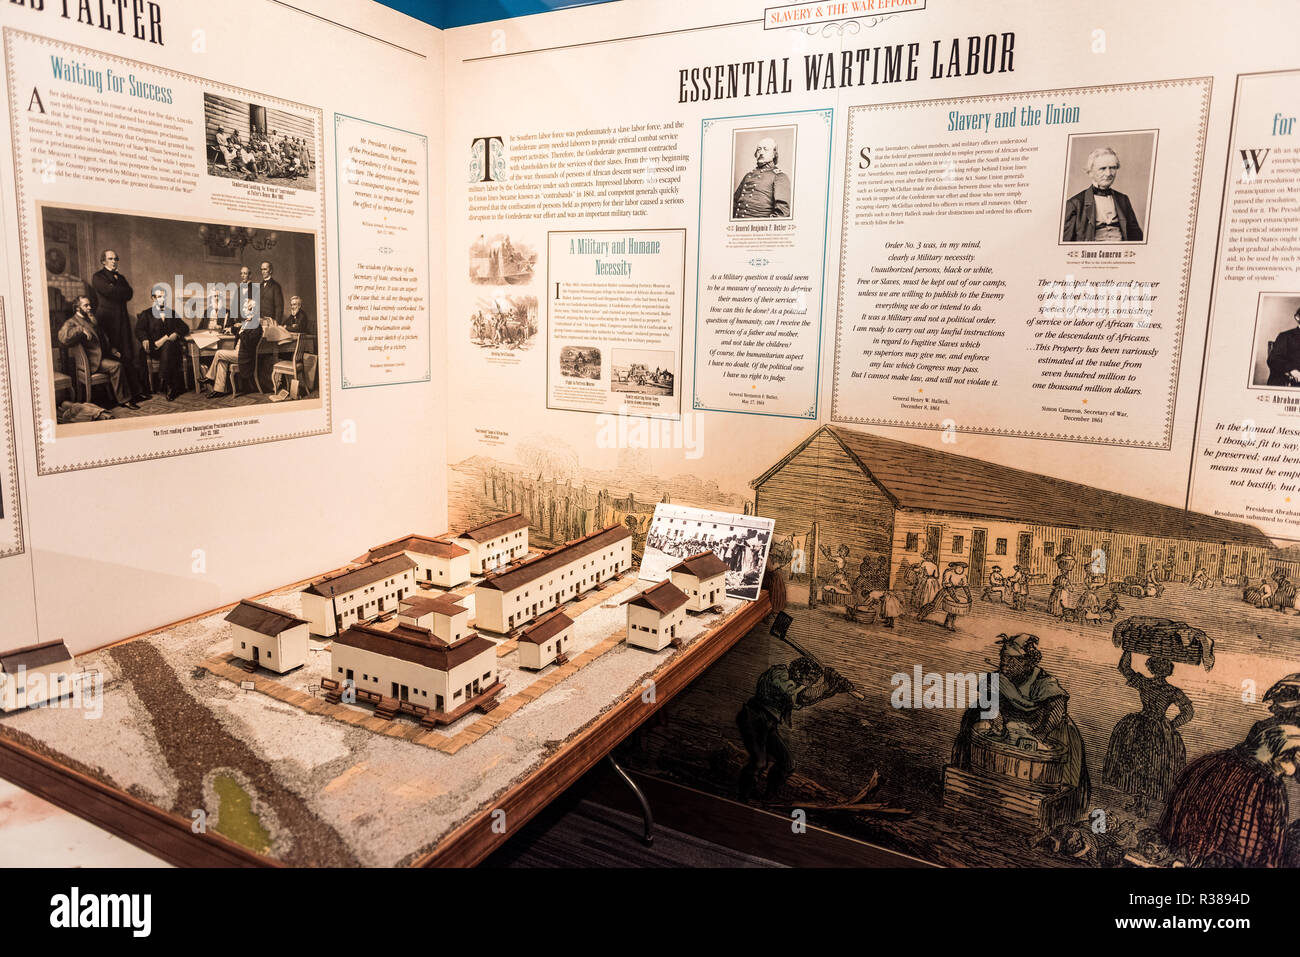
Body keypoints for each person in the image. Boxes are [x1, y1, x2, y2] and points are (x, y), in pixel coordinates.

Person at [952, 633, 1091, 820]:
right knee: (974, 716)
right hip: (1007, 723)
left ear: (1027, 663)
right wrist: (997, 721)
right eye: (1003, 658)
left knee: (1063, 736)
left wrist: (1036, 735)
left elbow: (1057, 710)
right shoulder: (998, 678)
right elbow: (989, 700)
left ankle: (1059, 803)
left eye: (1011, 660)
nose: (1004, 663)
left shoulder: (1043, 682)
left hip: (1040, 725)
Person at [1159, 721, 1300, 867]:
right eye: (1291, 760)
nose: (1291, 770)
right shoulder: (1267, 786)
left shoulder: (1218, 762)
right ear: (1279, 754)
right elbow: (1268, 842)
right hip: (1218, 855)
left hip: (1201, 852)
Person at [736, 656, 855, 801]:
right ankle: (742, 796)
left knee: (787, 762)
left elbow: (806, 700)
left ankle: (769, 796)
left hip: (768, 724)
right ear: (800, 673)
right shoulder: (779, 673)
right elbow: (801, 696)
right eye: (810, 680)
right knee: (759, 762)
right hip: (753, 718)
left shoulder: (794, 686)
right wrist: (826, 685)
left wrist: (833, 688)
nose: (810, 684)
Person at [1102, 651, 1194, 815]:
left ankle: (1142, 804)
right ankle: (1140, 803)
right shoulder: (1172, 690)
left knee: (1142, 764)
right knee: (1148, 765)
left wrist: (1128, 649)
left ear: (1151, 667)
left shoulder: (1145, 683)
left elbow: (1123, 667)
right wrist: (1171, 725)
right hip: (1156, 728)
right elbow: (1188, 711)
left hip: (1142, 726)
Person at [57, 296, 137, 409]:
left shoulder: (90, 319)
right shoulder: (71, 322)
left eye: (89, 305)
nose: (89, 307)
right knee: (116, 366)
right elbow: (62, 337)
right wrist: (80, 329)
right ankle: (124, 400)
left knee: (125, 359)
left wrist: (113, 350)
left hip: (101, 356)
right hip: (92, 361)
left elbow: (103, 338)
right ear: (77, 308)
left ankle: (136, 393)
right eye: (86, 305)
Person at [88, 249, 146, 402]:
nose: (114, 261)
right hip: (107, 321)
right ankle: (119, 397)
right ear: (103, 261)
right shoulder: (98, 277)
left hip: (122, 320)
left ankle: (136, 392)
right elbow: (109, 291)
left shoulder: (120, 277)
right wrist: (116, 289)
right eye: (110, 258)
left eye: (116, 259)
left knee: (127, 354)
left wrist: (115, 288)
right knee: (113, 355)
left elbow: (129, 293)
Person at [1062, 147, 1144, 242]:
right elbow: (1066, 244)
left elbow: (1136, 237)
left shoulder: (1123, 199)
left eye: (1113, 168)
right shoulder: (1075, 204)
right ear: (1090, 172)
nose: (1108, 173)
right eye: (1102, 168)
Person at [135, 285, 190, 401]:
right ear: (153, 298)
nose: (163, 299)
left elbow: (185, 327)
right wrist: (144, 338)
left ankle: (165, 382)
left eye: (164, 297)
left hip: (170, 350)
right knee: (166, 347)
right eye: (160, 297)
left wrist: (177, 333)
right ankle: (166, 382)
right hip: (154, 349)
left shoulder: (171, 313)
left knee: (169, 345)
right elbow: (139, 330)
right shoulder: (146, 314)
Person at [205, 298, 262, 397]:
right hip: (239, 353)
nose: (243, 310)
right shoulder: (247, 323)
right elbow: (238, 330)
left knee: (219, 353)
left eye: (245, 308)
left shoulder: (256, 326)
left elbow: (249, 343)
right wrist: (231, 329)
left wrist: (241, 333)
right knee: (222, 361)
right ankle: (219, 390)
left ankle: (210, 377)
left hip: (244, 357)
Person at [733, 136, 791, 218]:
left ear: (774, 154)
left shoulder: (779, 177)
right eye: (759, 149)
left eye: (765, 149)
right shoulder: (748, 175)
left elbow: (782, 213)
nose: (761, 152)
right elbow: (734, 203)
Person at [921, 560, 971, 630]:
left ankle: (948, 624)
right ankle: (921, 614)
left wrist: (969, 597)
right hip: (945, 591)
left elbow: (965, 586)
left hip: (954, 592)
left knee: (953, 609)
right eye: (958, 567)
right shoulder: (948, 572)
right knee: (934, 606)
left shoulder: (963, 576)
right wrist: (954, 598)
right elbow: (947, 585)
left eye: (961, 568)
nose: (960, 569)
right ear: (954, 567)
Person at [1266, 306, 1300, 387]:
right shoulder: (1285, 336)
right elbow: (1273, 360)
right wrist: (1292, 371)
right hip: (1290, 381)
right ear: (1298, 318)